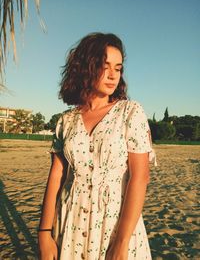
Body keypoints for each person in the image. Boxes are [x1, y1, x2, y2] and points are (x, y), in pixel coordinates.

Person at [38, 32, 155, 260]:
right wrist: (44, 233)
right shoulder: (66, 121)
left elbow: (139, 178)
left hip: (116, 227)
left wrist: (121, 243)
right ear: (86, 67)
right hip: (69, 223)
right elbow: (56, 177)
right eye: (105, 66)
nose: (113, 75)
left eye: (118, 68)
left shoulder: (130, 112)